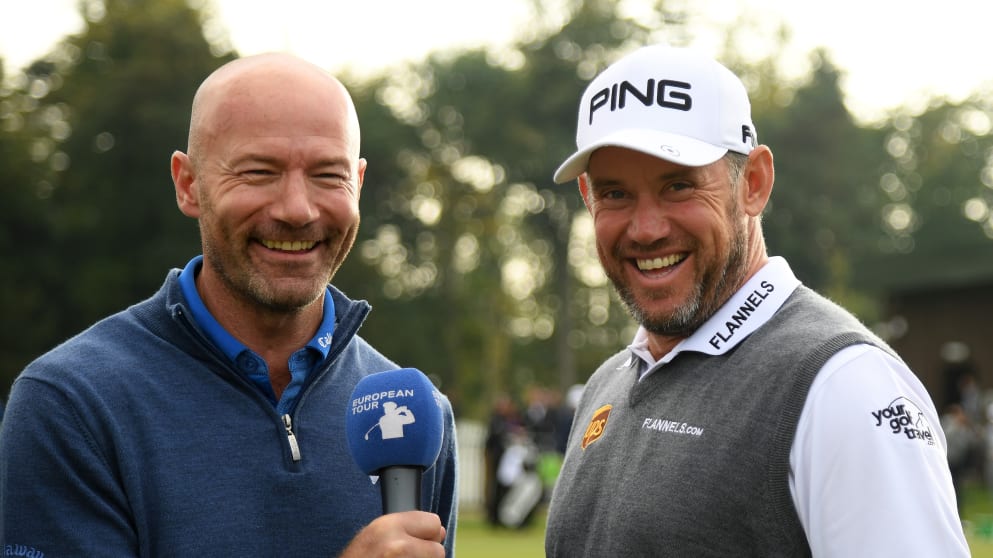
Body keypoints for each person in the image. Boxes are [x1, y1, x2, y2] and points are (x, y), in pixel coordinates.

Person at [0, 53, 457, 557]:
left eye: (329, 175)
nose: (297, 209)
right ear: (188, 184)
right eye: (260, 172)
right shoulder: (72, 404)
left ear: (359, 184)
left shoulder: (419, 419)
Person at [544, 44, 969, 556]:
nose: (647, 229)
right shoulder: (605, 386)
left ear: (754, 183)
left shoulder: (844, 386)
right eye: (615, 194)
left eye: (678, 185)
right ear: (588, 200)